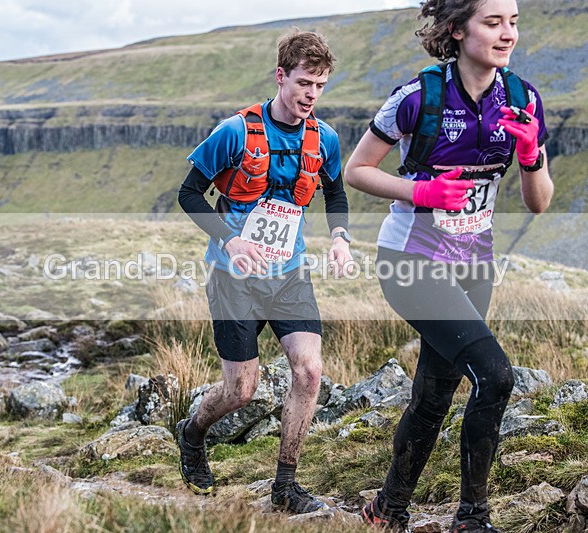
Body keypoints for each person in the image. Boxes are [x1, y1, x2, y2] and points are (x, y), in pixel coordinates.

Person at [344, 0, 553, 531]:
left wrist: (530, 159)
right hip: (410, 260)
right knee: (495, 376)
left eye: (514, 22)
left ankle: (387, 509)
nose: (508, 34)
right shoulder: (418, 97)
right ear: (457, 30)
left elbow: (538, 202)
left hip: (473, 264)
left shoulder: (524, 98)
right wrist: (423, 192)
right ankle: (472, 518)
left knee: (434, 395)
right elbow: (357, 170)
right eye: (493, 22)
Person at [176, 29, 353, 514]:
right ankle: (192, 432)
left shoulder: (326, 138)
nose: (311, 95)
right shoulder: (235, 131)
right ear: (281, 76)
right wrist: (230, 238)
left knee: (310, 371)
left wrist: (339, 238)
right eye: (303, 83)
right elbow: (189, 193)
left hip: (289, 273)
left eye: (319, 86)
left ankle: (285, 485)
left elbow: (334, 194)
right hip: (233, 277)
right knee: (241, 391)